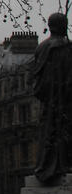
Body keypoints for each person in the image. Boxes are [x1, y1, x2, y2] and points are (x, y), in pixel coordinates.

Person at [31, 11, 72, 184]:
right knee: (64, 132)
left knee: (48, 133)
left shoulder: (41, 47)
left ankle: (47, 165)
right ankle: (62, 164)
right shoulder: (67, 47)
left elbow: (37, 79)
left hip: (48, 101)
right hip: (65, 101)